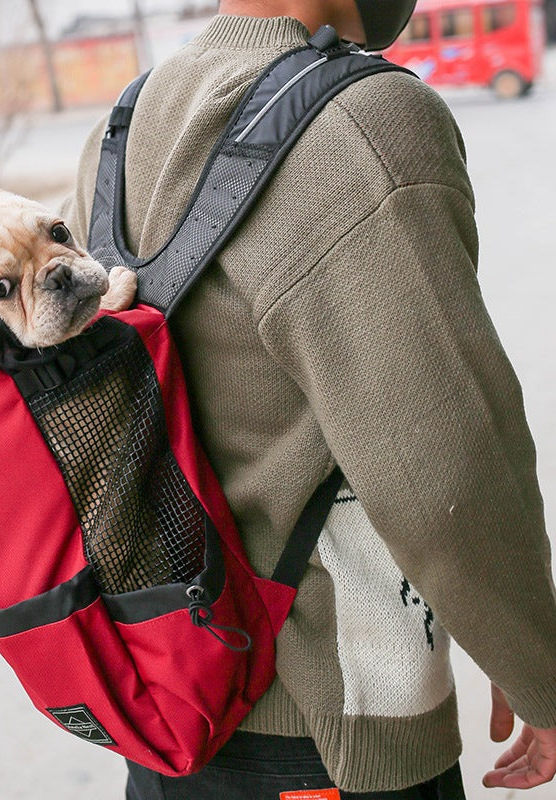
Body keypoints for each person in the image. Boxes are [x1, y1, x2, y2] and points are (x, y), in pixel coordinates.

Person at [61, 0, 556, 796]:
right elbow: (446, 467)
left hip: (170, 712)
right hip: (327, 728)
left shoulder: (122, 124)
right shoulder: (363, 119)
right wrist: (535, 661)